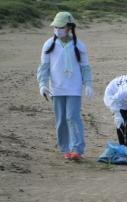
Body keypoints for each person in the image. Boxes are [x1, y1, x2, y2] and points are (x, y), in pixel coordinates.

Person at [37, 12, 93, 160]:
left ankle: (77, 149)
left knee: (73, 117)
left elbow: (85, 67)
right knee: (61, 119)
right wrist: (42, 84)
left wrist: (88, 83)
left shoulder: (79, 45)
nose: (57, 29)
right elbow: (44, 67)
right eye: (55, 26)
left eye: (60, 26)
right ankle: (65, 148)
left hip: (74, 87)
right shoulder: (49, 44)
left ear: (69, 27)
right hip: (56, 88)